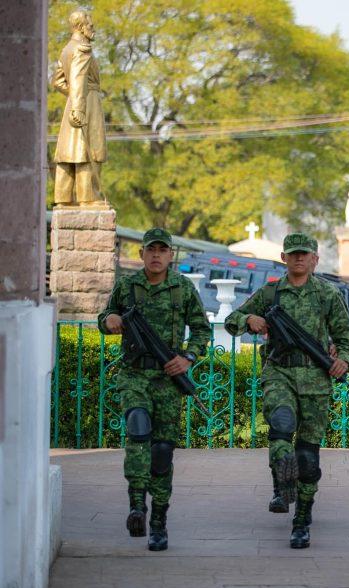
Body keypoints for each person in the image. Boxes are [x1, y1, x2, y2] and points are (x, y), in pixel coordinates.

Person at [224, 233, 349, 549]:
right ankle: (283, 484)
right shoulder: (271, 293)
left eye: (305, 254)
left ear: (315, 259)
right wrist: (250, 318)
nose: (299, 259)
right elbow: (231, 320)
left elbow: (347, 338)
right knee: (281, 427)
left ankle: (302, 521)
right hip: (279, 373)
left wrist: (345, 361)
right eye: (293, 254)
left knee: (308, 458)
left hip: (316, 381)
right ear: (284, 258)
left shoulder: (327, 294)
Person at [98, 228, 210, 551]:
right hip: (135, 375)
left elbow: (202, 329)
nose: (157, 255)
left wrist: (187, 358)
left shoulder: (182, 289)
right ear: (142, 254)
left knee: (161, 452)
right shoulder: (127, 286)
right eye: (151, 250)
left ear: (171, 255)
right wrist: (111, 320)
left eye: (163, 250)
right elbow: (104, 317)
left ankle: (159, 520)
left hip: (167, 380)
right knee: (137, 429)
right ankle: (137, 504)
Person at [51, 10, 107, 207]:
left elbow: (57, 81)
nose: (93, 29)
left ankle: (63, 198)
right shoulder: (83, 48)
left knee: (70, 151)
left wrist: (74, 99)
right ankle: (89, 198)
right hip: (86, 102)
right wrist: (80, 106)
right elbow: (79, 77)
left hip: (75, 102)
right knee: (90, 149)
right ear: (81, 27)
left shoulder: (67, 49)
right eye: (90, 26)